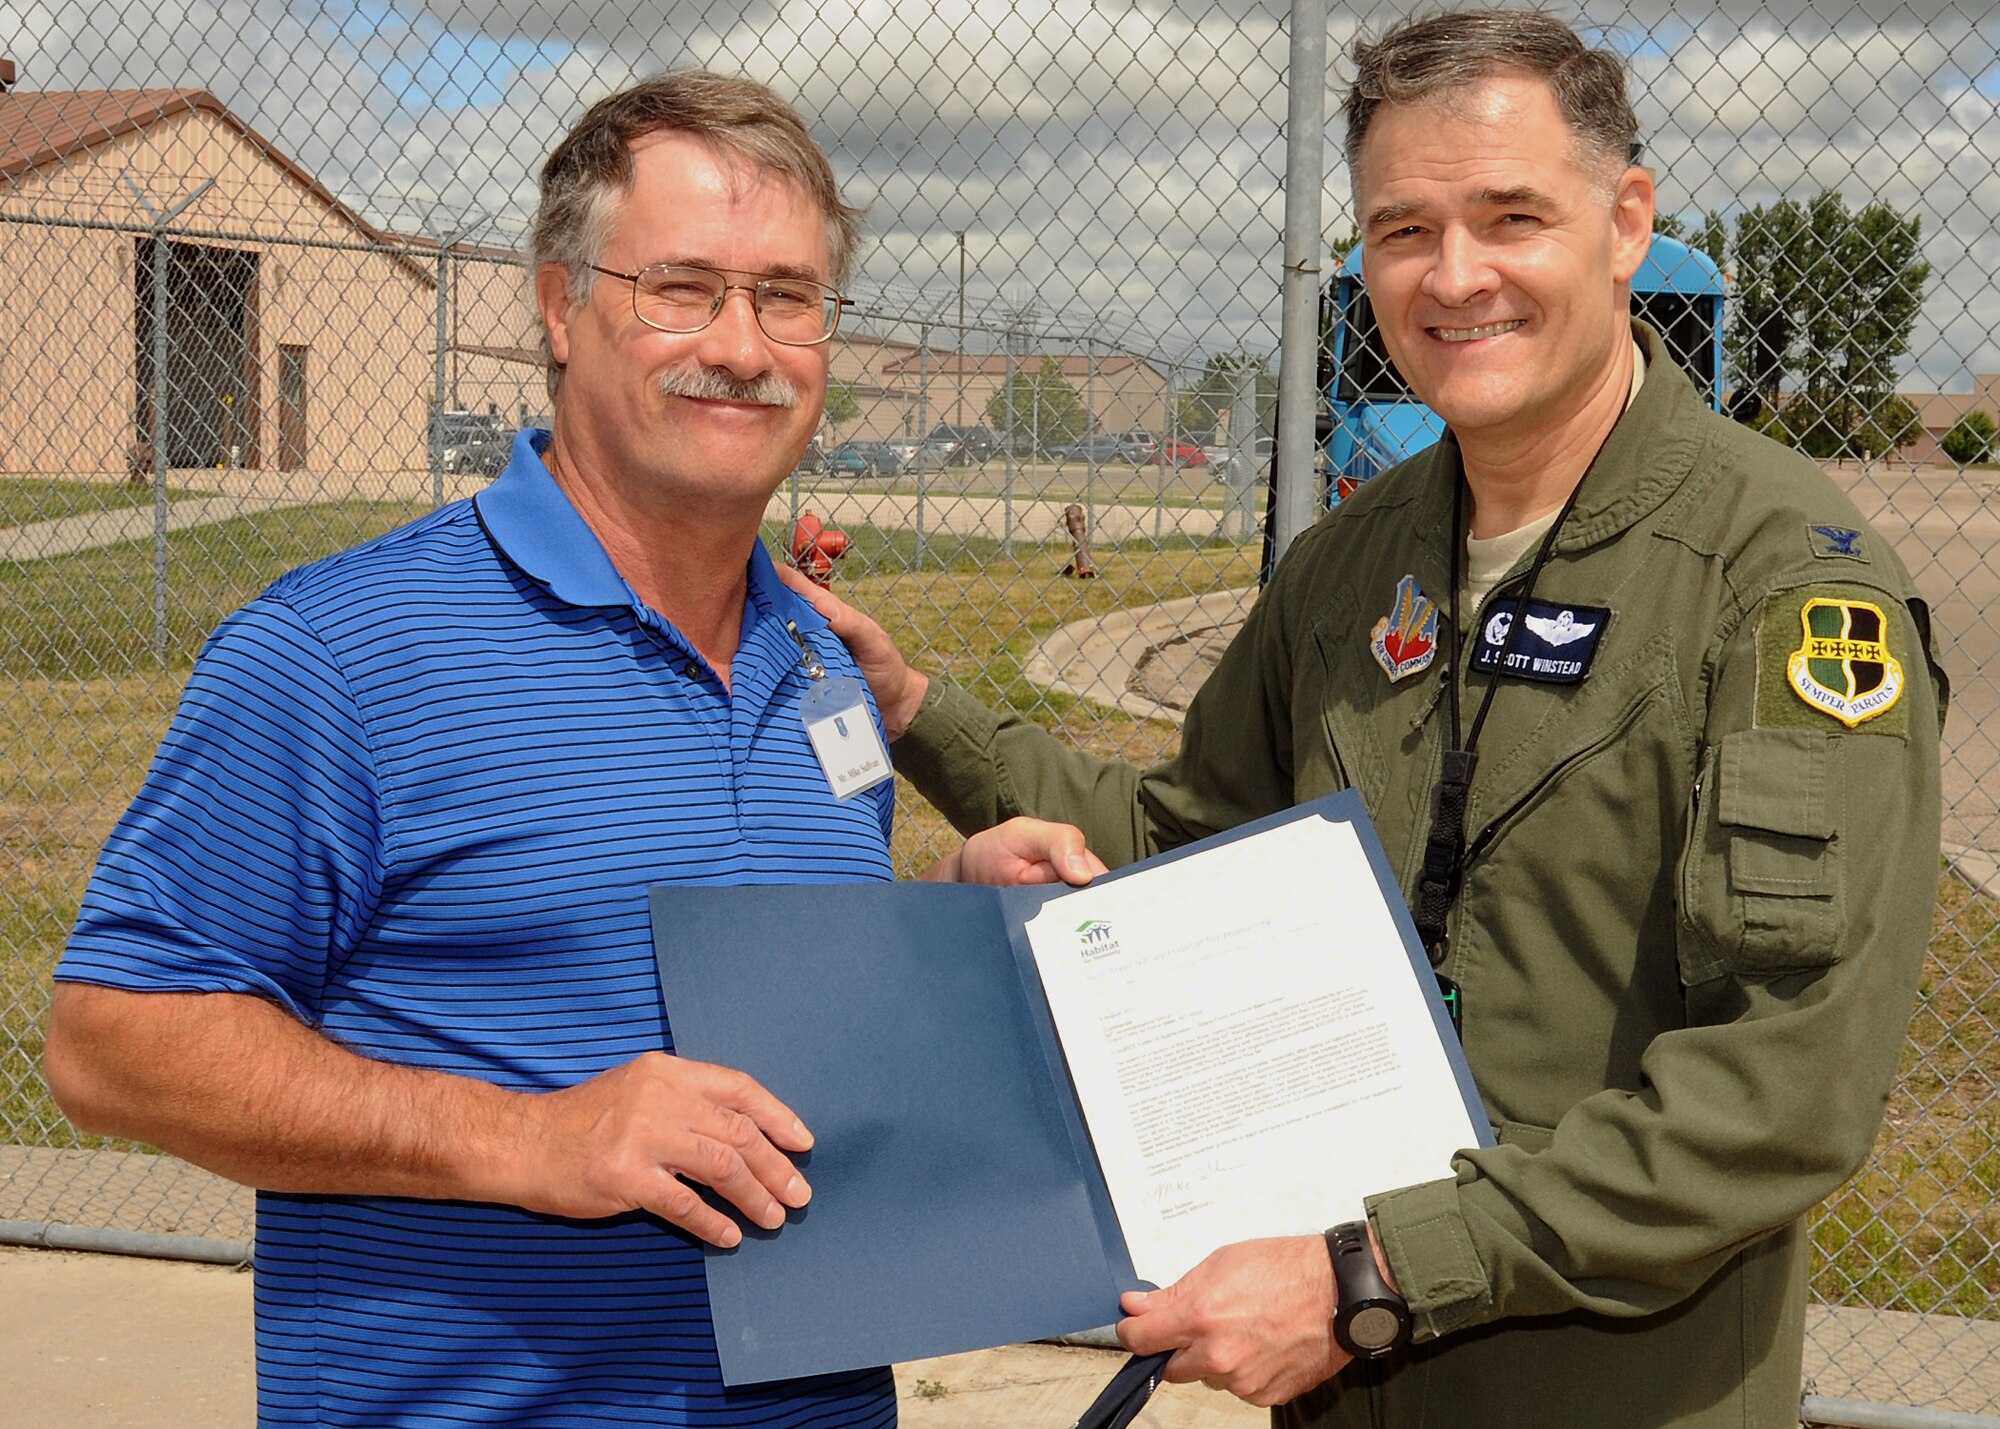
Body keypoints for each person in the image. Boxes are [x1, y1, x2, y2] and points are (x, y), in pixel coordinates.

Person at [793, 13, 1947, 1428]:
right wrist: (918, 712)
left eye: (1510, 216)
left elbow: (1781, 1094)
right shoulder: (1353, 565)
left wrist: (1376, 1270)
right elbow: (1184, 845)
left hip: (1614, 1388)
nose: (1455, 278)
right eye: (1404, 230)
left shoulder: (1778, 585)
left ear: (1625, 220)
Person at [44, 72, 1099, 1428]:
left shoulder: (821, 665)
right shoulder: (345, 651)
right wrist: (529, 1137)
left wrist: (952, 934)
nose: (744, 342)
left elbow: (742, 995)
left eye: (788, 296)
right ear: (559, 305)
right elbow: (113, 1040)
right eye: (682, 288)